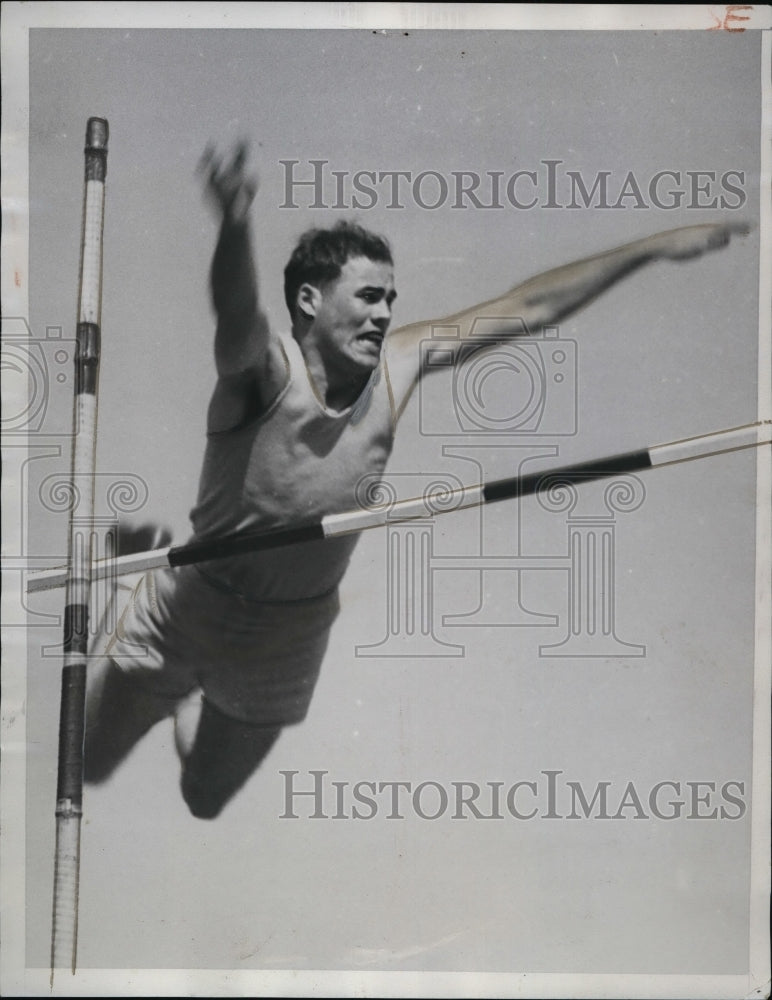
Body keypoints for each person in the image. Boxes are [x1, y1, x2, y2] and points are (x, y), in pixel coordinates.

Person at [84, 142, 748, 819]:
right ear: (309, 300)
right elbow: (235, 313)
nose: (383, 314)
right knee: (85, 766)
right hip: (196, 600)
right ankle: (138, 583)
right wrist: (235, 219)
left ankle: (190, 698)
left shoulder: (398, 365)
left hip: (288, 631)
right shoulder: (263, 371)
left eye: (390, 300)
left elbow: (531, 307)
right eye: (368, 297)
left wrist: (654, 245)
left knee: (203, 797)